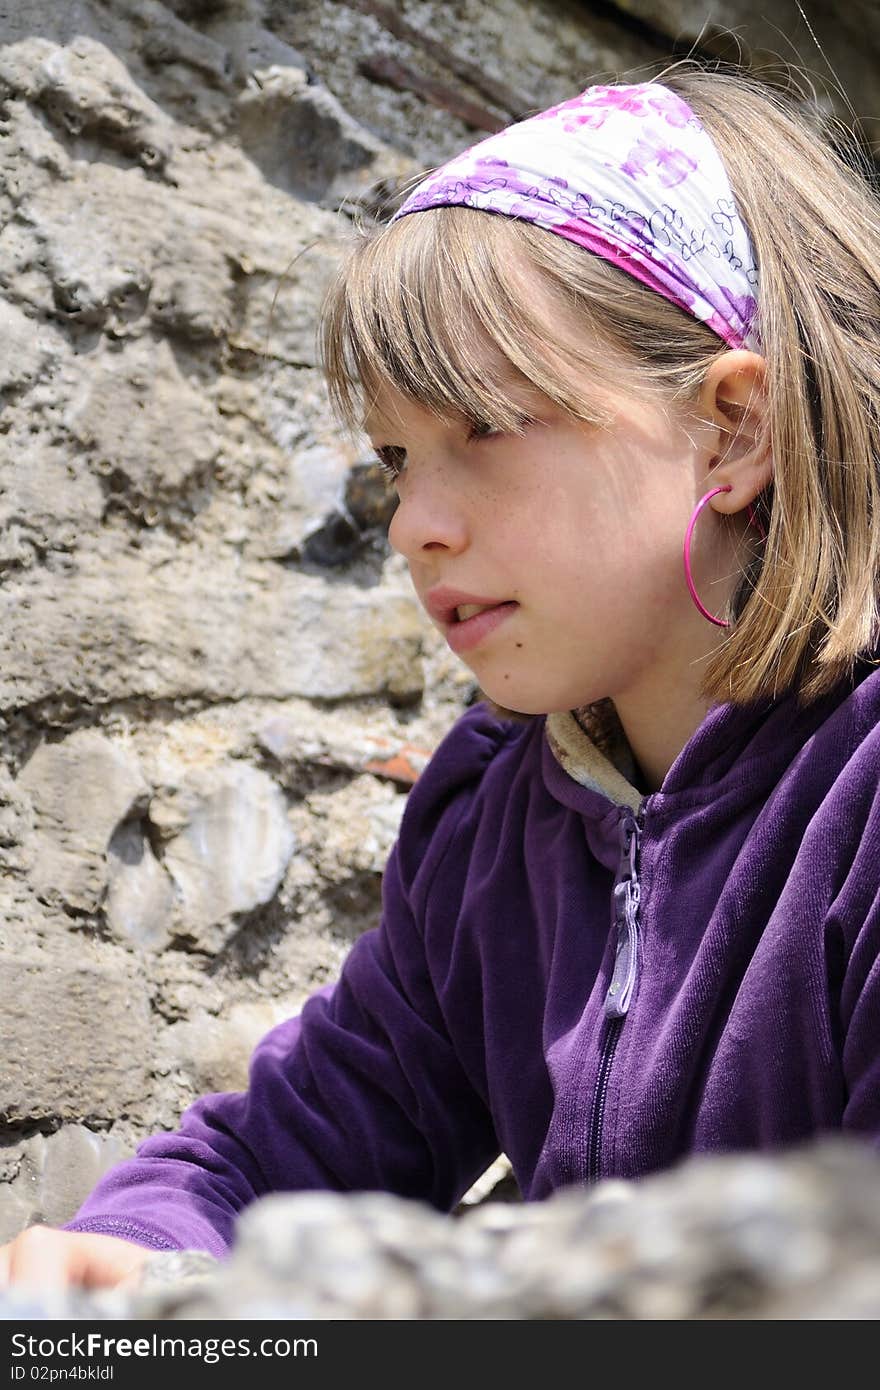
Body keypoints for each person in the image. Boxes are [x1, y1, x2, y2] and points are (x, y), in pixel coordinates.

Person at [3, 57, 880, 1291]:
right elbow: (288, 1143)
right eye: (395, 457)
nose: (414, 522)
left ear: (731, 427)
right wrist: (131, 1253)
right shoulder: (496, 819)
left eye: (479, 426)